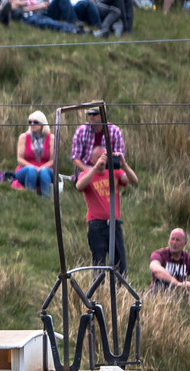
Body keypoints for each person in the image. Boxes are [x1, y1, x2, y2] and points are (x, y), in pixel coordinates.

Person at [78, 149, 134, 277]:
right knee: (99, 262)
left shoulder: (115, 173)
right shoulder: (87, 174)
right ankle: (99, 291)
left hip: (114, 224)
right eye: (98, 157)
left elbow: (133, 180)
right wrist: (95, 168)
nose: (102, 160)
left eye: (104, 157)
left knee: (120, 264)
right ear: (91, 160)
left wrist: (124, 165)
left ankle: (120, 291)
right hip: (96, 224)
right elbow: (79, 186)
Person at [148, 229, 190, 299]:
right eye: (172, 239)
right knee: (161, 281)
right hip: (161, 295)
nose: (174, 243)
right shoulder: (159, 254)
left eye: (178, 240)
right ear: (168, 240)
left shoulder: (188, 258)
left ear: (185, 243)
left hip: (181, 294)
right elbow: (156, 270)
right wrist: (177, 283)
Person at [70, 104, 125, 177]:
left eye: (94, 114)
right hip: (86, 168)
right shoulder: (81, 130)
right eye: (89, 114)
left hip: (107, 169)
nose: (91, 116)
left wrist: (105, 172)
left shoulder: (115, 131)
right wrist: (90, 172)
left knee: (124, 177)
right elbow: (75, 158)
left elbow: (119, 158)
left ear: (103, 115)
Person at [13, 111, 57, 196]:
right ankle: (30, 198)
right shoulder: (24, 137)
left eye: (35, 122)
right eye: (30, 122)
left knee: (44, 172)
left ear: (42, 124)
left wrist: (40, 168)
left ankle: (45, 200)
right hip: (25, 169)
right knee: (31, 170)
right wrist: (35, 168)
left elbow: (53, 161)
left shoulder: (51, 138)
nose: (32, 124)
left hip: (46, 169)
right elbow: (20, 159)